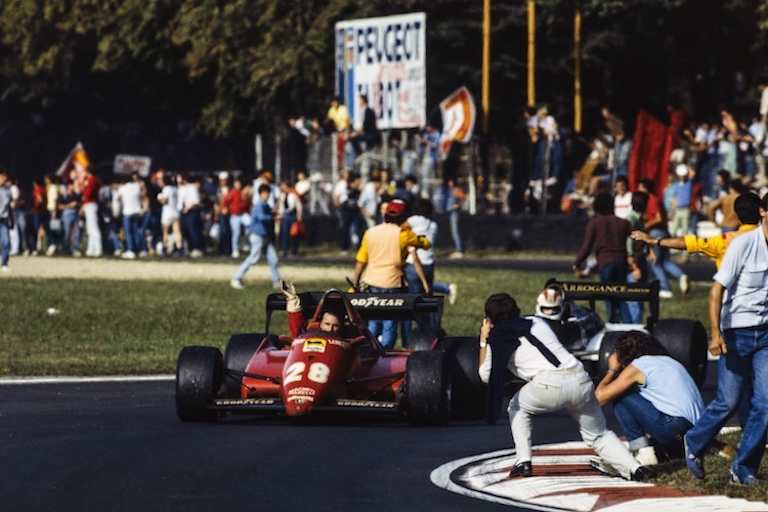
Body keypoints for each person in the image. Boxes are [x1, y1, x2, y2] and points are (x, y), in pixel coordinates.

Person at [478, 292, 648, 481]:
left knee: (516, 406)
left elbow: (486, 375)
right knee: (598, 434)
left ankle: (523, 461)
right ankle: (636, 469)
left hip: (549, 384)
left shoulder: (498, 338)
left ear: (489, 319)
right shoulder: (537, 322)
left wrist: (484, 340)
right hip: (580, 377)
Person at [683, 193, 768, 485]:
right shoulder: (743, 244)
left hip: (766, 335)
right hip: (736, 331)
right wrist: (715, 334)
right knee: (728, 402)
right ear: (763, 212)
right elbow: (716, 291)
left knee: (766, 403)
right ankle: (694, 442)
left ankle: (743, 469)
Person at [595, 331, 703, 464]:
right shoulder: (670, 361)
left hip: (674, 428)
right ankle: (666, 451)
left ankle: (642, 453)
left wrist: (611, 370)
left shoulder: (638, 365)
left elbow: (599, 398)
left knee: (621, 396)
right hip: (697, 432)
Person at [351, 199, 431, 348]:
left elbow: (361, 261)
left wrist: (355, 283)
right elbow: (426, 244)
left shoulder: (370, 232)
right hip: (392, 282)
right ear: (403, 217)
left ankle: (368, 348)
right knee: (389, 321)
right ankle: (385, 352)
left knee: (374, 319)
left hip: (371, 281)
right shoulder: (404, 234)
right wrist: (422, 240)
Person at [631, 192, 760, 270]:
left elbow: (687, 243)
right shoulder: (763, 238)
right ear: (761, 212)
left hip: (735, 309)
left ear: (736, 215)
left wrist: (653, 241)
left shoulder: (725, 241)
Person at [573, 193, 632, 322]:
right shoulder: (624, 223)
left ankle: (613, 325)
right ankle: (629, 325)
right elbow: (635, 241)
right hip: (622, 263)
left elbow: (586, 247)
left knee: (609, 299)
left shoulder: (594, 223)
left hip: (605, 263)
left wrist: (576, 263)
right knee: (621, 297)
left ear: (597, 207)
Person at [637, 179, 688, 299]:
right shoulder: (654, 199)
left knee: (655, 262)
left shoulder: (651, 200)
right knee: (665, 260)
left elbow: (658, 218)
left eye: (640, 187)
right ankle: (681, 276)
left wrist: (645, 226)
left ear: (645, 188)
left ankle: (666, 289)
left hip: (656, 232)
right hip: (663, 232)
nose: (639, 190)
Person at [230, 184, 281, 290]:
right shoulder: (259, 205)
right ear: (261, 194)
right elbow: (262, 217)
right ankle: (236, 278)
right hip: (258, 236)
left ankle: (276, 282)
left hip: (265, 236)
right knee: (253, 258)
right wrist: (273, 216)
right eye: (265, 193)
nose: (267, 195)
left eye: (268, 193)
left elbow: (268, 213)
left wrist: (273, 212)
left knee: (273, 259)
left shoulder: (265, 205)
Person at [118, 173, 144, 259]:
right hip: (136, 211)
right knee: (135, 231)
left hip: (127, 212)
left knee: (128, 232)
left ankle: (130, 250)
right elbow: (141, 196)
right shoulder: (137, 187)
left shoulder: (122, 188)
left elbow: (119, 198)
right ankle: (138, 250)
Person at [223, 176, 249, 258]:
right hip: (234, 216)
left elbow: (246, 205)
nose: (237, 185)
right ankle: (235, 250)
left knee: (251, 225)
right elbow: (225, 201)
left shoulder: (243, 192)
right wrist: (224, 208)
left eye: (239, 183)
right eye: (236, 183)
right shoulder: (233, 192)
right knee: (236, 233)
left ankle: (246, 243)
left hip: (242, 214)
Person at [277, 180, 303, 257]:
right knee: (285, 233)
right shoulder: (282, 195)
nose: (282, 187)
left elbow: (299, 206)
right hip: (285, 215)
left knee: (294, 233)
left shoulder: (293, 194)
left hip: (292, 215)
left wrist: (299, 216)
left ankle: (294, 250)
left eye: (283, 186)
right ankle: (285, 250)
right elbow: (281, 206)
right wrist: (280, 215)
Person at [158, 172, 182, 256]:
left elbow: (165, 201)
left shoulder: (166, 189)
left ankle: (165, 248)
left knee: (165, 232)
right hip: (176, 212)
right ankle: (179, 248)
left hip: (167, 213)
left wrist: (159, 197)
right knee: (177, 231)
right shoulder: (176, 189)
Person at [0, 170, 14, 272]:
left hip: (3, 220)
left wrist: (12, 220)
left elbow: (10, 207)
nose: (4, 179)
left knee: (6, 242)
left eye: (5, 177)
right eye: (2, 177)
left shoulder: (8, 191)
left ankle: (4, 263)